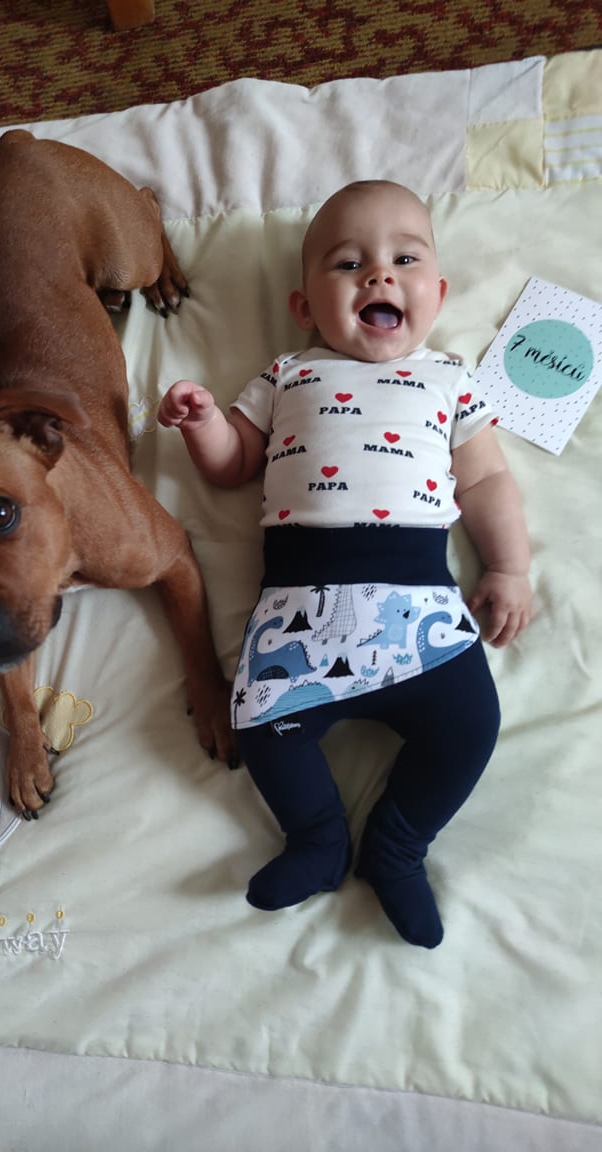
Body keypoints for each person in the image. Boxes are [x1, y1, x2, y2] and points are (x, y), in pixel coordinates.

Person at [158, 180, 533, 948]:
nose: (379, 275)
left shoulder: (448, 379)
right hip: (298, 616)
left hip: (421, 613)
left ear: (437, 294)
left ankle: (397, 847)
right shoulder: (287, 375)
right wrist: (203, 424)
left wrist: (508, 568)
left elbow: (488, 481)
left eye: (405, 260)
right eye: (349, 264)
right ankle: (318, 839)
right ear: (304, 306)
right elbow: (232, 467)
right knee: (260, 723)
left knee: (471, 727)